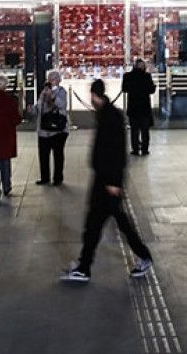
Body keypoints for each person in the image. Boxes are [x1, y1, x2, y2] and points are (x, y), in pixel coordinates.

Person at [60, 79, 154, 283]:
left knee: (115, 223)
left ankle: (142, 256)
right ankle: (84, 266)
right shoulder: (107, 114)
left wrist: (114, 182)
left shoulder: (111, 117)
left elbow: (117, 151)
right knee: (95, 224)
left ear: (94, 95)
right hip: (103, 180)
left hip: (108, 182)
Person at [33, 70, 69, 185]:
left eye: (53, 78)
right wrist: (33, 109)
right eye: (49, 78)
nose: (51, 81)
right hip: (43, 130)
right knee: (43, 155)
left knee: (58, 154)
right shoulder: (43, 92)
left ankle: (58, 178)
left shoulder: (61, 91)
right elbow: (39, 107)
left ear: (59, 80)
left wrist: (53, 97)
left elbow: (62, 105)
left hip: (58, 130)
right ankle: (45, 177)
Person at [121, 59, 157, 155]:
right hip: (144, 107)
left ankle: (135, 149)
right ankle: (145, 149)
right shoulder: (147, 76)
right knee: (145, 131)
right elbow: (151, 90)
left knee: (134, 130)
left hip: (133, 107)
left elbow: (124, 89)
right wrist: (154, 87)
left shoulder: (127, 76)